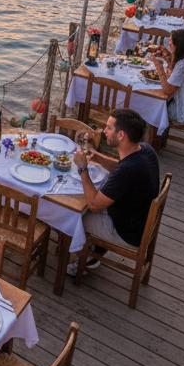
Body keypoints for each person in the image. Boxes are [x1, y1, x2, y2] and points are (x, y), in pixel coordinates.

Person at [66, 109, 159, 275]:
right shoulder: (145, 150)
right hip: (138, 221)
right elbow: (120, 166)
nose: (104, 131)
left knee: (73, 215)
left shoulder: (128, 171)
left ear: (121, 135)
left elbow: (94, 205)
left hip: (126, 232)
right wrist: (98, 157)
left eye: (109, 128)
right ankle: (96, 249)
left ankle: (84, 259)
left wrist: (82, 168)